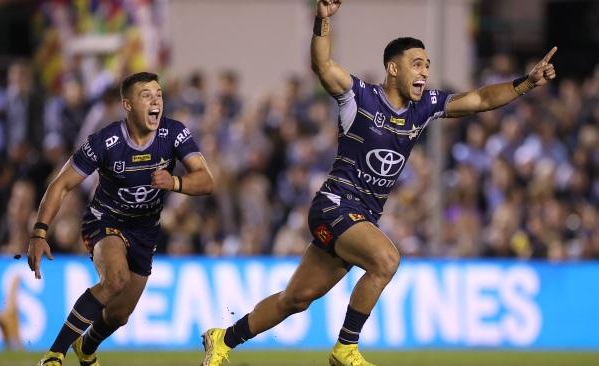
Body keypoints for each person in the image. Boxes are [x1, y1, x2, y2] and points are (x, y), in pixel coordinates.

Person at [201, 1, 557, 365]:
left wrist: (526, 83)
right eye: (417, 64)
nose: (424, 72)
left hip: (361, 218)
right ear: (393, 68)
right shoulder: (359, 97)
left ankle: (223, 338)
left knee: (295, 299)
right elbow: (322, 65)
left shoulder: (424, 107)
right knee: (386, 260)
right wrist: (322, 21)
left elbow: (480, 98)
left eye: (428, 66)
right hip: (334, 206)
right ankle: (345, 349)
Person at [29, 71, 214, 366]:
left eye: (159, 94)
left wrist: (175, 183)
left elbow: (206, 181)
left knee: (119, 314)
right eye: (146, 95)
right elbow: (61, 184)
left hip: (146, 230)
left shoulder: (174, 133)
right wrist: (39, 232)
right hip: (105, 221)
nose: (156, 101)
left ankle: (86, 348)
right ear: (127, 105)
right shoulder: (105, 141)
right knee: (115, 279)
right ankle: (54, 355)